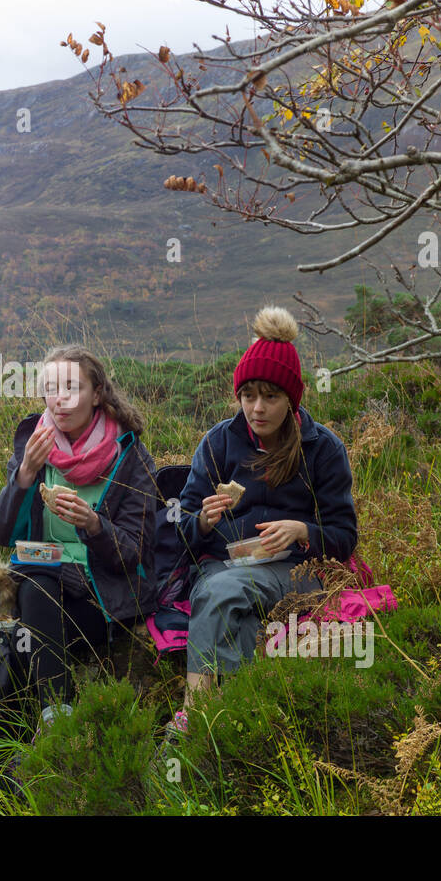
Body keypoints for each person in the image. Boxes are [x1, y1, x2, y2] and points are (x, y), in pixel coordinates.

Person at [167, 305, 357, 735]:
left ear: (291, 397)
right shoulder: (218, 442)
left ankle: (192, 721)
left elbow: (345, 536)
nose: (257, 407)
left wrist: (304, 531)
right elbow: (180, 525)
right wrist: (202, 521)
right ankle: (235, 727)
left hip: (296, 571)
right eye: (248, 395)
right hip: (223, 563)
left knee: (217, 595)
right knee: (237, 614)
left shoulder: (323, 448)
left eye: (270, 396)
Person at [0, 345, 157, 731]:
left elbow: (135, 553)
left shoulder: (130, 457)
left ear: (97, 394)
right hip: (46, 583)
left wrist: (95, 527)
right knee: (34, 588)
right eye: (50, 387)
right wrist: (25, 474)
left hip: (104, 596)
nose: (58, 399)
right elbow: (0, 532)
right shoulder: (36, 445)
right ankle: (58, 721)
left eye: (70, 388)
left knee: (22, 643)